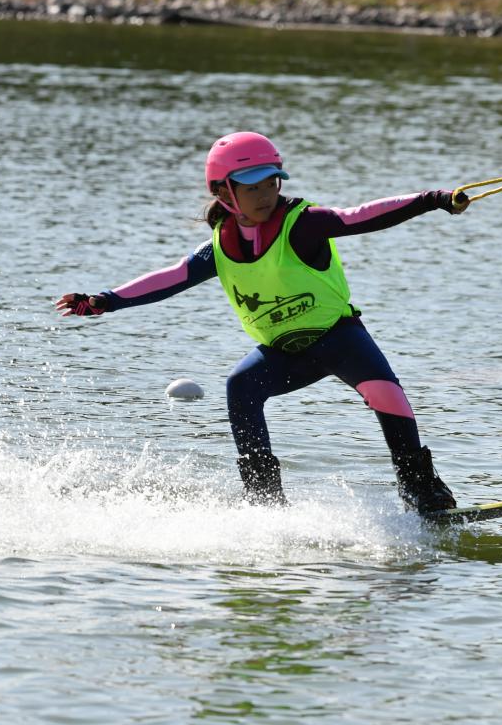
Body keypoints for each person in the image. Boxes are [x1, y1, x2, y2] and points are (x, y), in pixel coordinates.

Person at [56, 131, 469, 514]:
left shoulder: (302, 223)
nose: (265, 195)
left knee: (387, 395)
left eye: (271, 183)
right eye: (251, 187)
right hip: (283, 353)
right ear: (223, 191)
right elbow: (169, 278)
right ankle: (265, 504)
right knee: (240, 387)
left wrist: (434, 199)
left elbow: (362, 216)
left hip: (340, 340)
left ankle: (420, 488)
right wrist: (104, 301)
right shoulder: (218, 248)